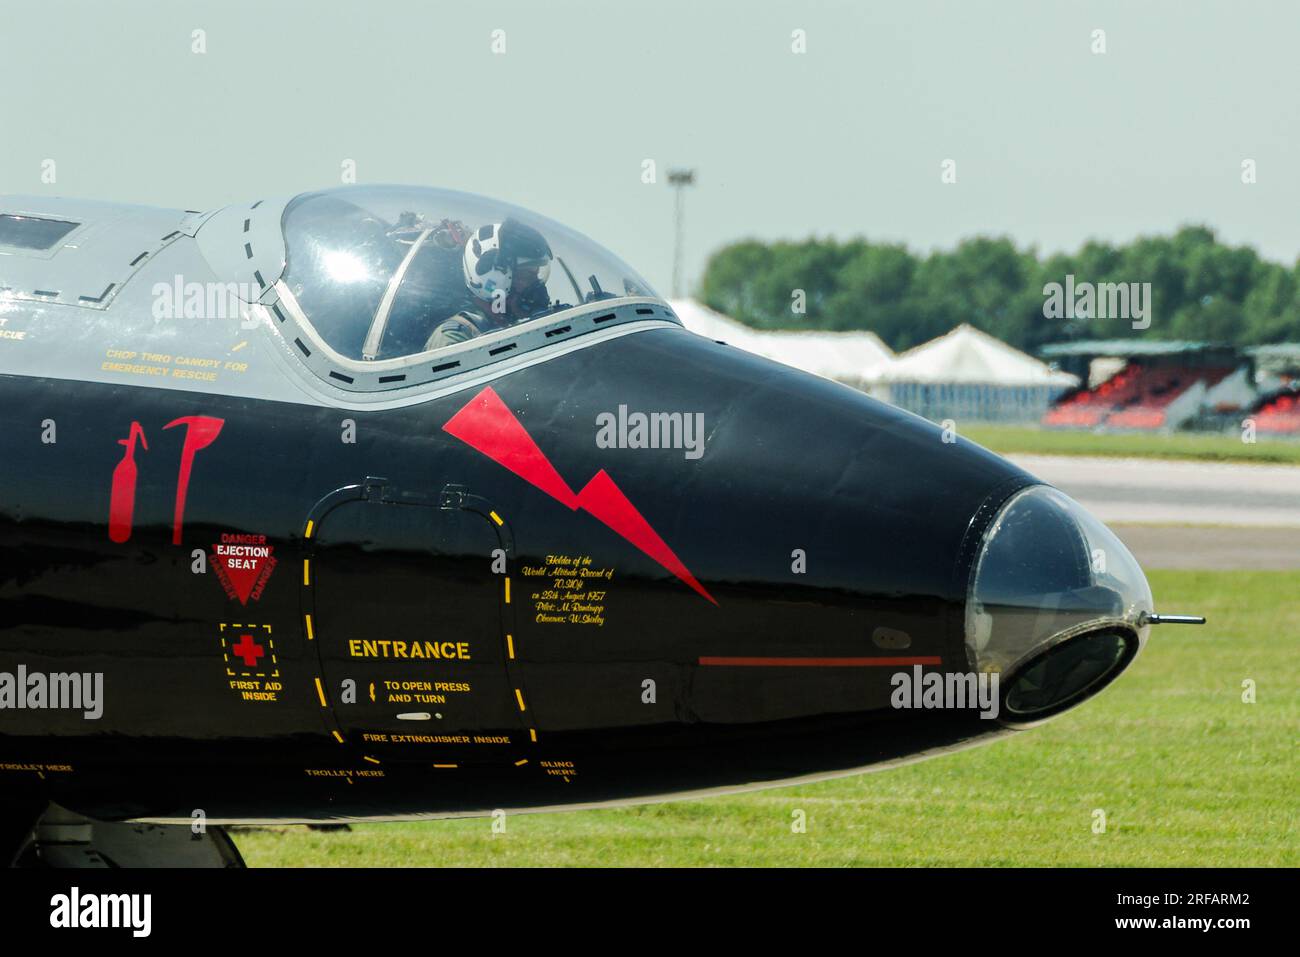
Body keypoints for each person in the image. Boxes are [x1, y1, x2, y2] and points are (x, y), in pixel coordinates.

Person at [424, 218, 553, 350]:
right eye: (526, 276)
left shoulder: (523, 328)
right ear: (493, 278)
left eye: (536, 276)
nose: (536, 286)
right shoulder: (455, 339)